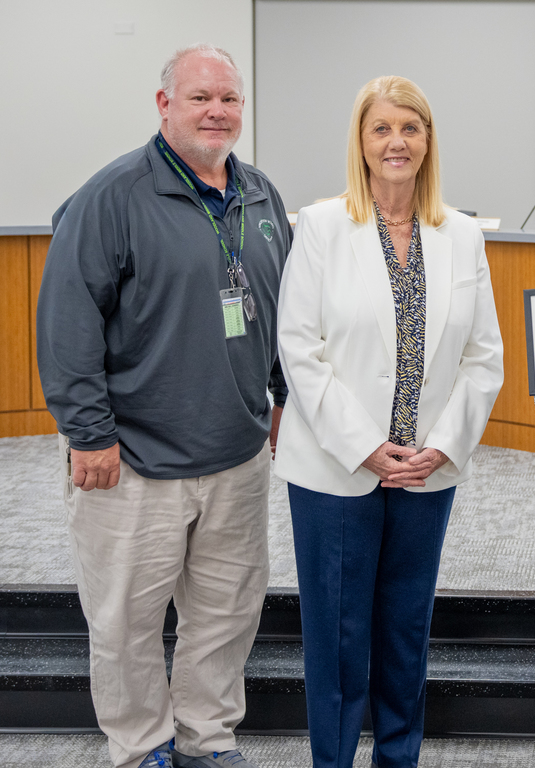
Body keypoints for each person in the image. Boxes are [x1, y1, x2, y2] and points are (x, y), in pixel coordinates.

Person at [35, 44, 290, 768]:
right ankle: (141, 744)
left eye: (230, 100)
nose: (218, 112)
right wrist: (88, 435)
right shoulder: (111, 197)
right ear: (164, 105)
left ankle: (206, 740)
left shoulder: (262, 197)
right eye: (201, 97)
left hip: (237, 459)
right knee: (125, 622)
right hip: (132, 463)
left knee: (225, 614)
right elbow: (67, 324)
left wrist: (279, 399)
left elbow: (277, 313)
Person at [273, 75, 503, 768]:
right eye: (382, 129)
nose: (397, 141)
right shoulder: (320, 227)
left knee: (405, 630)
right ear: (362, 143)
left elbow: (483, 357)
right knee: (338, 637)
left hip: (426, 470)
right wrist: (366, 445)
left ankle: (398, 757)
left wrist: (443, 446)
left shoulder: (461, 235)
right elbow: (300, 348)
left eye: (411, 127)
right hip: (335, 467)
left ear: (429, 141)